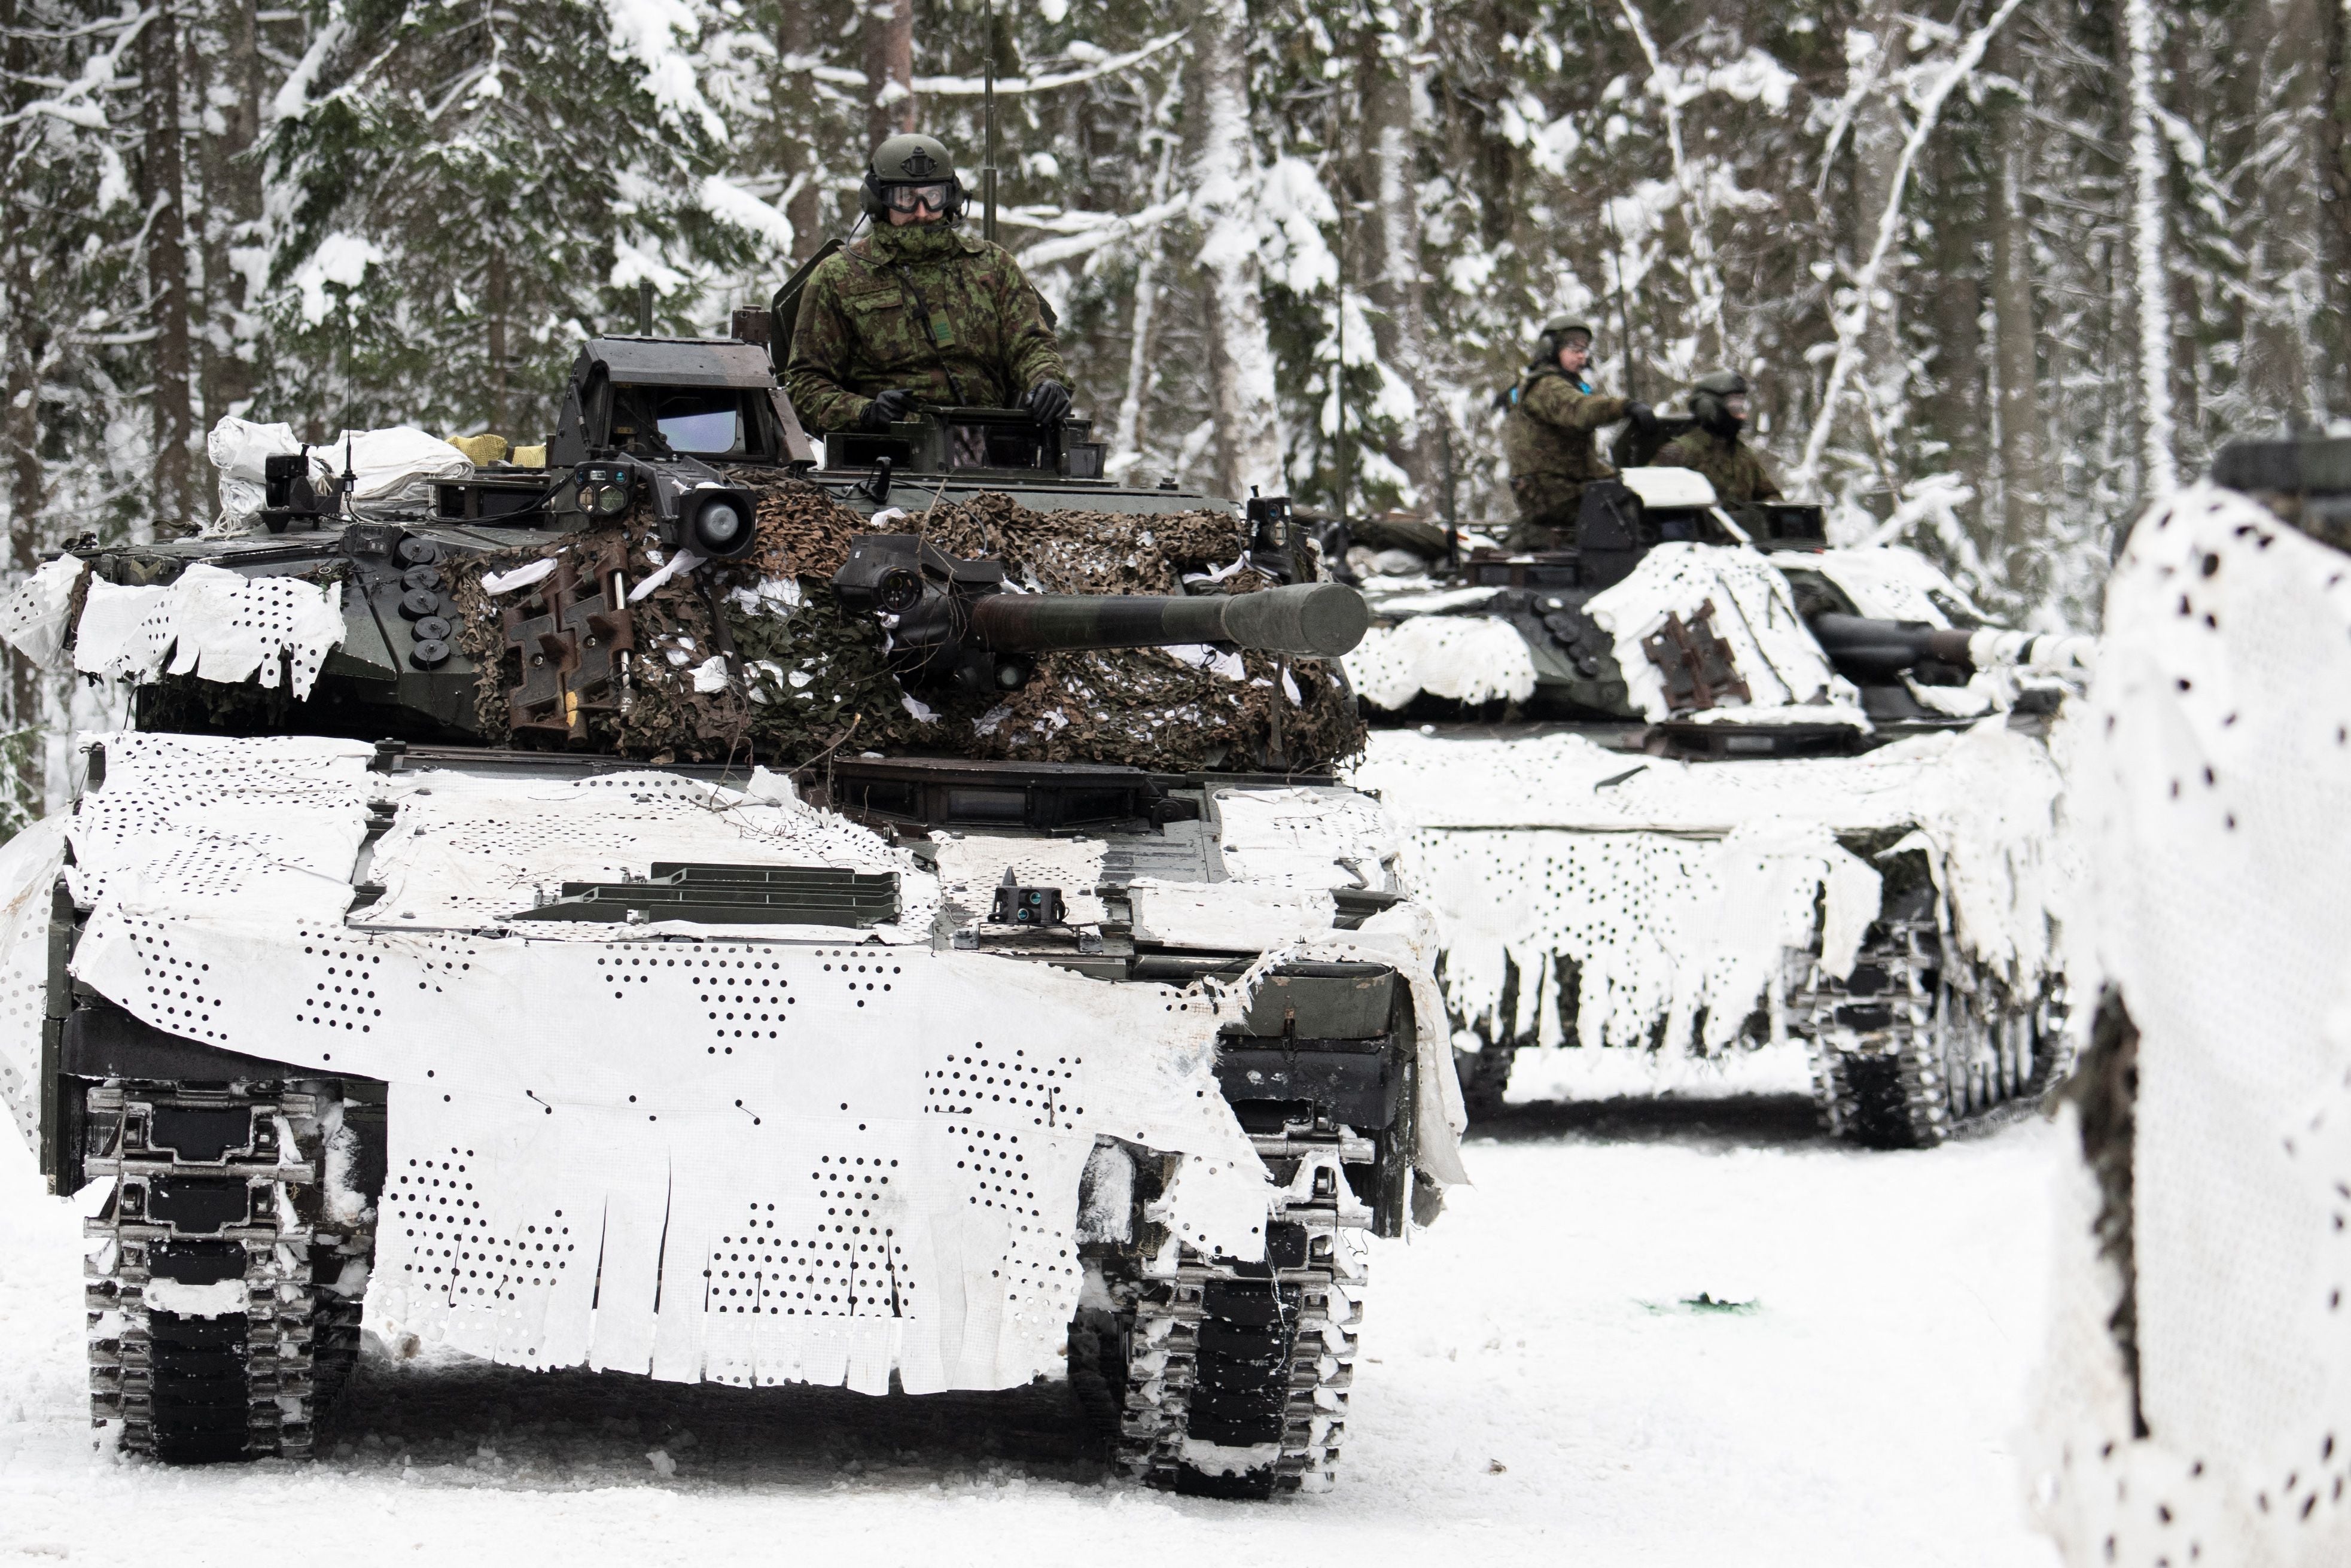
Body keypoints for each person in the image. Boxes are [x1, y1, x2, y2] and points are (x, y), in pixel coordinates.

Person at [785, 133, 1073, 436]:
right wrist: (866, 412)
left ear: (951, 198)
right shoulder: (840, 276)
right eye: (906, 198)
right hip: (886, 450)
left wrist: (1047, 380)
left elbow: (1031, 344)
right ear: (879, 201)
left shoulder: (992, 266)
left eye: (932, 197)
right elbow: (804, 384)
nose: (921, 212)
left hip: (990, 445)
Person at [1500, 317, 1655, 550]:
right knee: (1623, 507)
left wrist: (1614, 476)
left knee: (1628, 494)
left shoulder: (1556, 384)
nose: (1581, 356)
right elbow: (1581, 411)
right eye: (1574, 349)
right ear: (1551, 350)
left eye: (1584, 350)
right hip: (1553, 491)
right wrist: (1624, 407)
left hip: (1560, 486)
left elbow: (1579, 459)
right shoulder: (1548, 386)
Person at [1653, 370, 1783, 503]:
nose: (1742, 415)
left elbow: (1770, 495)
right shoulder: (1678, 453)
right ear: (1709, 407)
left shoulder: (1742, 454)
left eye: (1741, 406)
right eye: (1734, 406)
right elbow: (1653, 501)